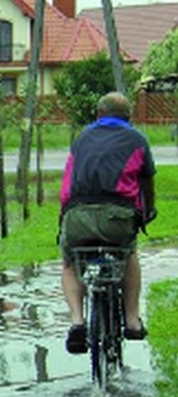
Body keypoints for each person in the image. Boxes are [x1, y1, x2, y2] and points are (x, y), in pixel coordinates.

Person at [58, 91, 157, 354]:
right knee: (129, 253)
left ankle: (77, 322)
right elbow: (147, 182)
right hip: (118, 219)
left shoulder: (81, 139)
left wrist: (64, 217)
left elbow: (67, 186)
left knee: (70, 263)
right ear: (129, 116)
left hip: (78, 217)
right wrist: (148, 210)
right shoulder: (137, 139)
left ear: (99, 114)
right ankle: (133, 320)